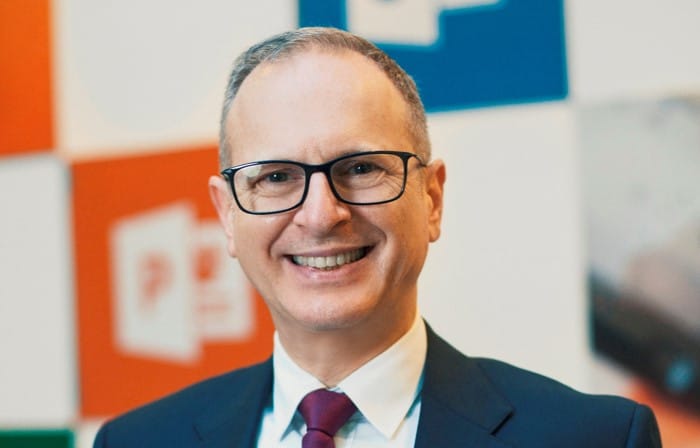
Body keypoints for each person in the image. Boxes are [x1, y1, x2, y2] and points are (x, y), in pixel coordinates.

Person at [93, 27, 661, 447]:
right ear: (226, 216)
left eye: (362, 168)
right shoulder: (137, 442)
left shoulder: (595, 438)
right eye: (277, 178)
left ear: (431, 198)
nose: (321, 215)